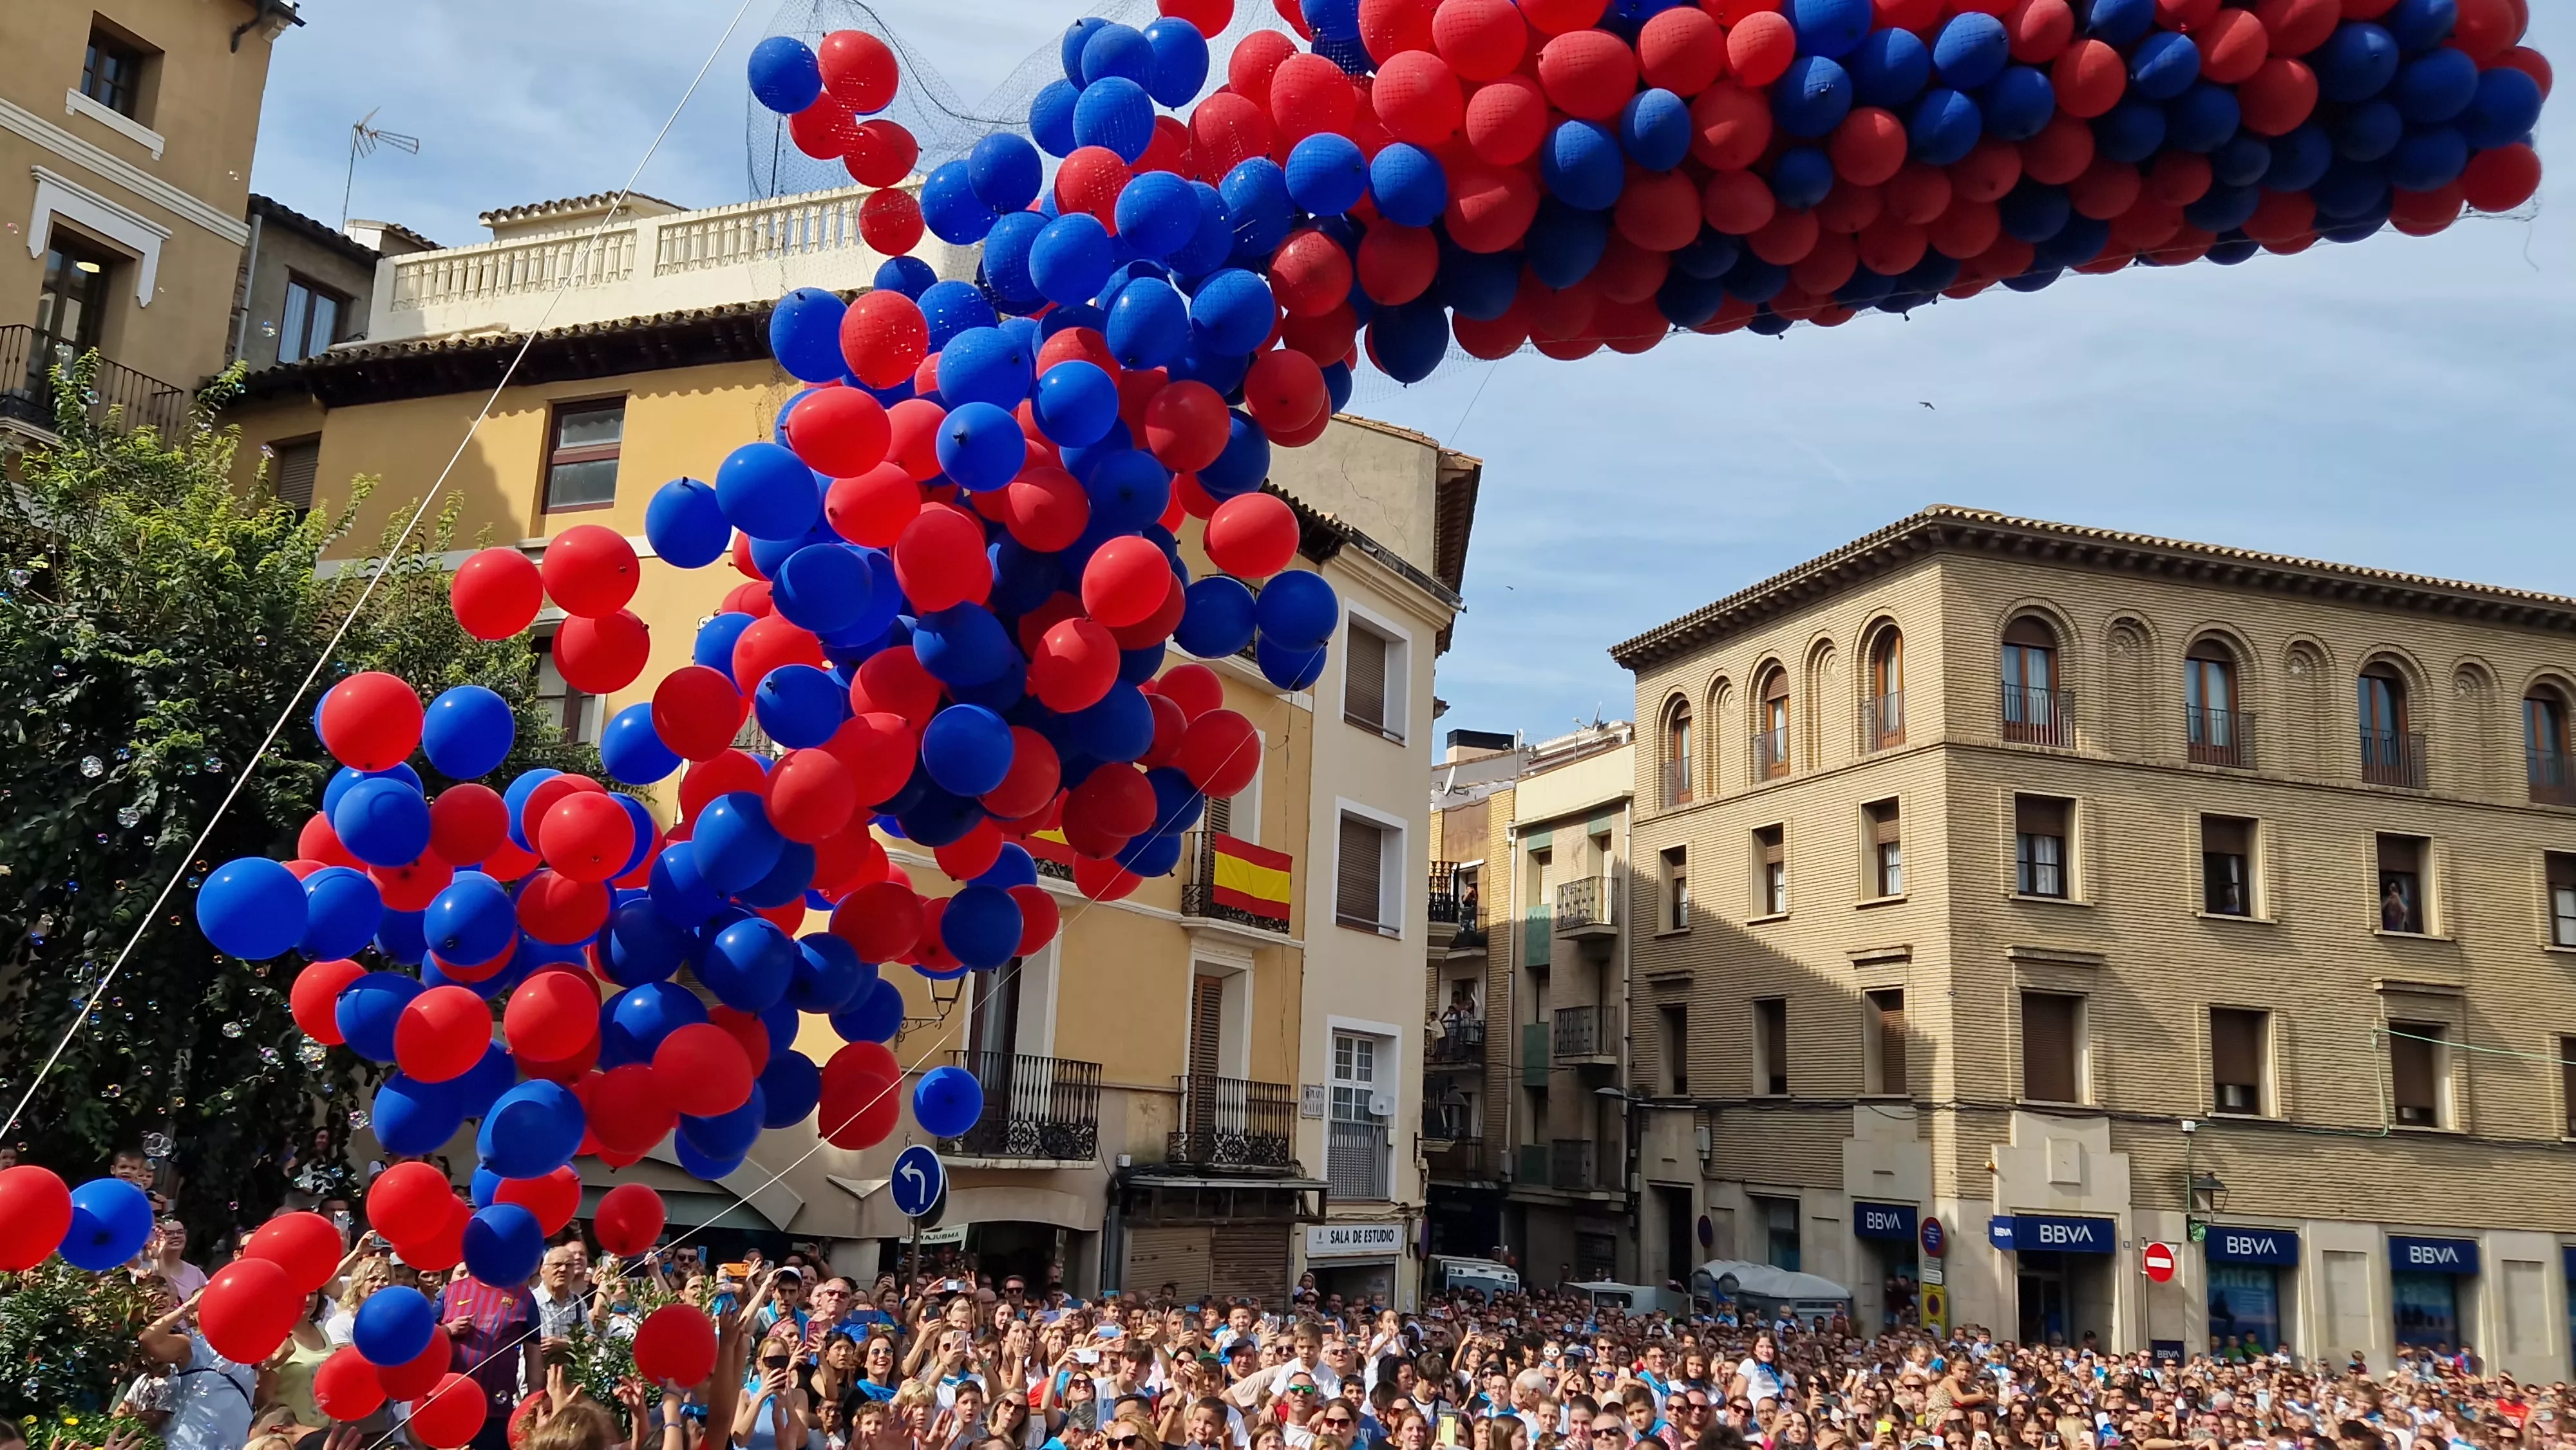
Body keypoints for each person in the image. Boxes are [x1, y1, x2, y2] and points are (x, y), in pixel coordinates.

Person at [440, 1254, 542, 1450]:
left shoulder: (524, 1298)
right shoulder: (451, 1291)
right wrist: (448, 1330)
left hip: (496, 1414)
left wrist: (534, 1405)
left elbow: (534, 1355)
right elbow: (428, 1336)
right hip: (449, 1405)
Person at [139, 1289, 256, 1450]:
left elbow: (285, 1352)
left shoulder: (253, 1348)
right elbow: (149, 1339)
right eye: (208, 1303)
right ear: (192, 1315)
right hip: (193, 1441)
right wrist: (186, 1307)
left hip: (235, 1437)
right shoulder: (192, 1345)